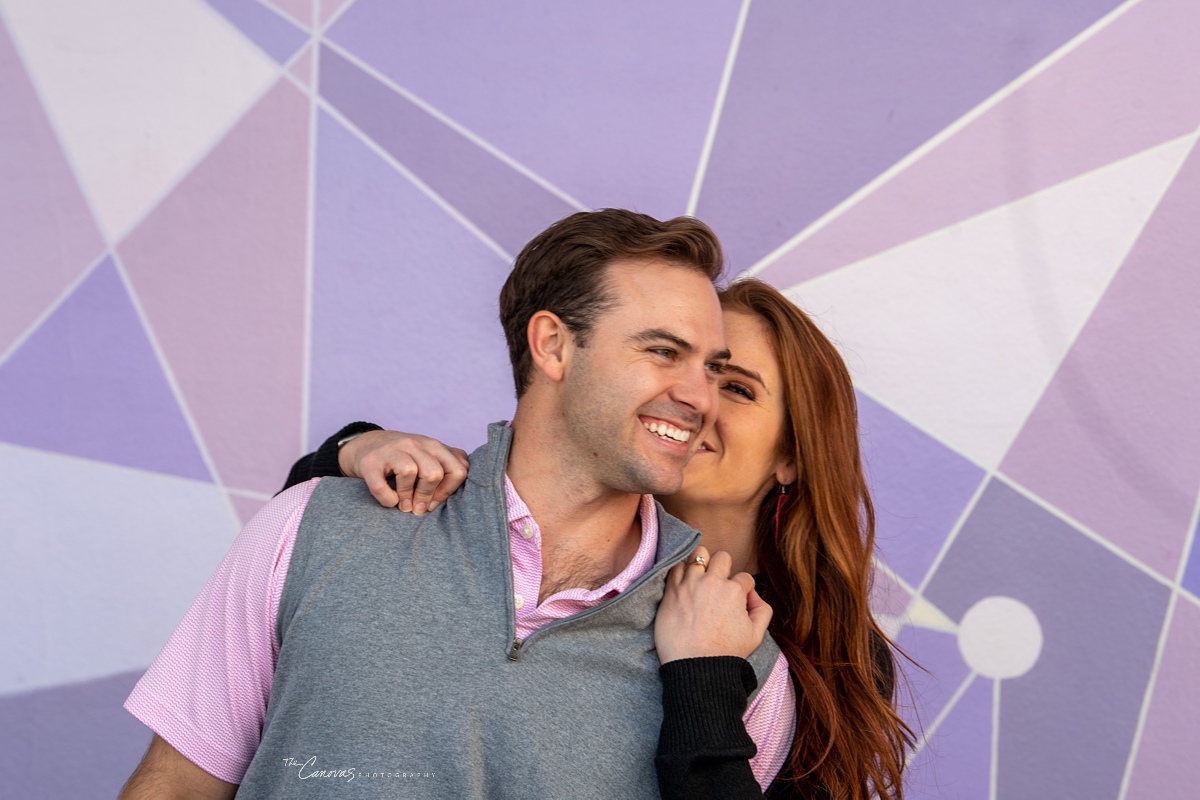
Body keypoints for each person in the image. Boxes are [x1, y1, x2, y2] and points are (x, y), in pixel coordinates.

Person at [120, 210, 796, 798]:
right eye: (663, 352)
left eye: (713, 368)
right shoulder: (310, 527)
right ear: (554, 346)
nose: (700, 396)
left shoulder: (739, 671)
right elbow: (176, 787)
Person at [294, 279, 915, 799]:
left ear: (793, 456)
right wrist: (354, 447)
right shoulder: (520, 542)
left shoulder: (835, 657)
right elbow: (308, 545)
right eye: (673, 359)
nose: (694, 397)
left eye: (735, 386)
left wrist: (707, 675)